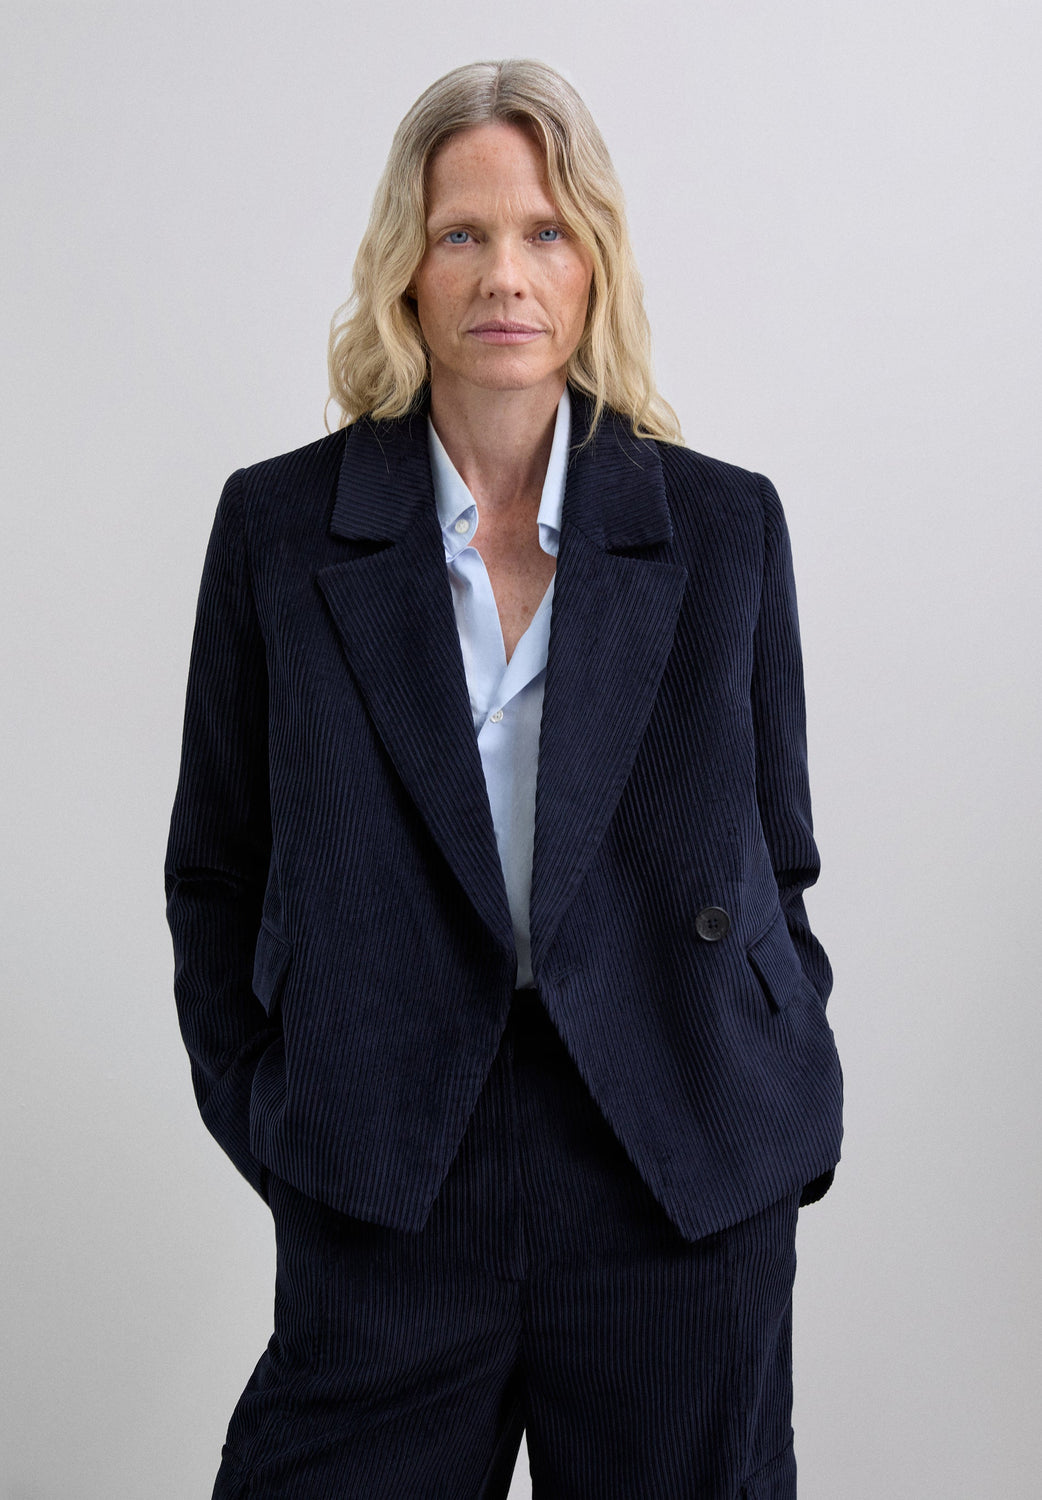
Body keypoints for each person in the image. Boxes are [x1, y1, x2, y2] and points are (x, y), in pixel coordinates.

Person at [165, 57, 843, 1500]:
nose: (504, 276)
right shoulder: (279, 529)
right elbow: (216, 869)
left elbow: (777, 864)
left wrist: (774, 1100)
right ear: (404, 270)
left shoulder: (723, 529)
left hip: (672, 1169)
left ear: (594, 262)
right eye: (461, 233)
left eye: (545, 231)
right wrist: (284, 1119)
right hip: (390, 1171)